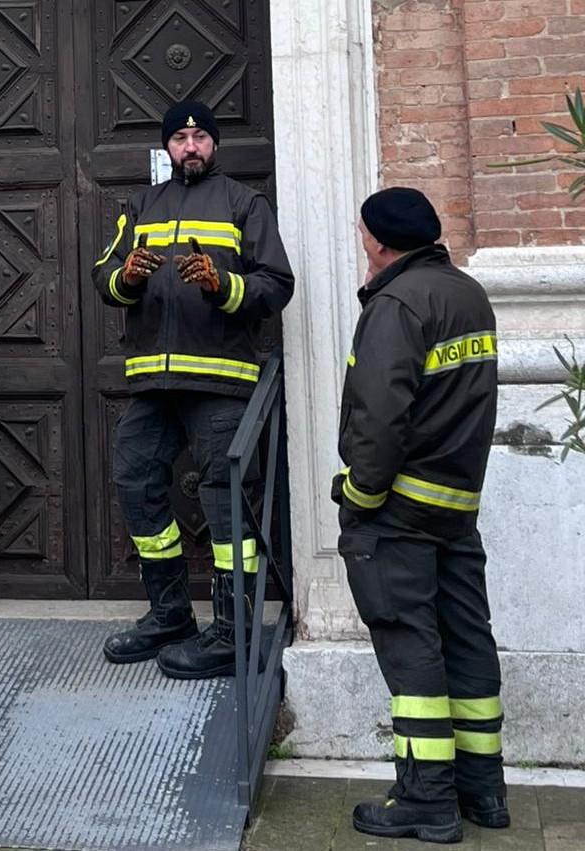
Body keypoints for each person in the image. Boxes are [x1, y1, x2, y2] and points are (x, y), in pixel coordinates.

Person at [91, 100, 294, 679]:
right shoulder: (142, 204)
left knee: (226, 502)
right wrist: (126, 277)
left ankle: (233, 631)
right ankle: (170, 614)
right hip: (153, 381)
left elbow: (276, 283)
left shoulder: (242, 203)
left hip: (220, 381)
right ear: (167, 148)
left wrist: (224, 284)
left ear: (214, 145)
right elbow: (104, 277)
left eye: (199, 136)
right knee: (134, 478)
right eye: (179, 138)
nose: (190, 146)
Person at [335, 187, 506, 844]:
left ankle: (427, 798)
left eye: (363, 236)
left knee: (412, 651)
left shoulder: (397, 305)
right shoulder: (470, 295)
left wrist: (360, 498)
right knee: (465, 641)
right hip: (457, 509)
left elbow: (379, 421)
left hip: (400, 511)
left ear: (378, 242)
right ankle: (483, 789)